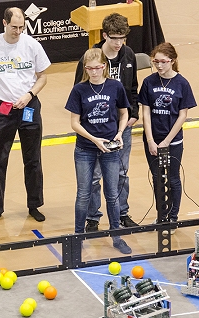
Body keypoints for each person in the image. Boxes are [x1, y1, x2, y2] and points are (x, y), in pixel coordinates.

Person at [0, 7, 51, 224]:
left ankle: (34, 204)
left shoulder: (32, 44)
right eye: (14, 27)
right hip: (2, 109)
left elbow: (42, 77)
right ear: (4, 23)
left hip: (29, 107)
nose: (18, 31)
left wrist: (29, 94)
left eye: (21, 27)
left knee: (33, 159)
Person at [73, 13, 139, 232]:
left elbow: (132, 88)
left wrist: (133, 114)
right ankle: (92, 217)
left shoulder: (128, 55)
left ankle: (122, 213)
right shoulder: (92, 58)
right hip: (94, 129)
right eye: (114, 38)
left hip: (120, 128)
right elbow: (79, 90)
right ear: (104, 35)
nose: (119, 43)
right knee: (93, 177)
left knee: (121, 172)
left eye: (122, 38)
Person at [65, 48, 132, 254]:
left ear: (105, 66)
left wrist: (120, 133)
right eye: (90, 68)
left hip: (110, 149)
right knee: (83, 193)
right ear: (85, 68)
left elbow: (124, 112)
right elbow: (74, 123)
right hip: (86, 149)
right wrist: (95, 140)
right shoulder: (79, 90)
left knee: (112, 193)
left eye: (98, 67)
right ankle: (78, 237)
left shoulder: (115, 86)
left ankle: (116, 236)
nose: (94, 72)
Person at [138, 43, 196, 230]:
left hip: (172, 141)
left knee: (172, 179)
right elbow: (145, 113)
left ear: (172, 61)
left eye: (163, 62)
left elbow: (182, 116)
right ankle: (161, 216)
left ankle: (173, 216)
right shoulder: (149, 82)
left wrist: (166, 141)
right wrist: (150, 141)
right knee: (157, 178)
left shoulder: (182, 83)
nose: (159, 66)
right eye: (156, 62)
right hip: (153, 140)